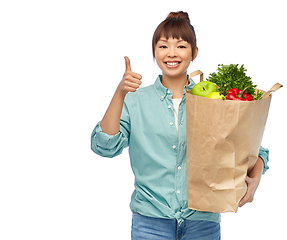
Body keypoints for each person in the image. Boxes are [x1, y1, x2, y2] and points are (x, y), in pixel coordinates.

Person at [91, 11, 269, 240]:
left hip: (203, 222)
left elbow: (253, 148)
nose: (172, 53)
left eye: (181, 46)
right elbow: (104, 146)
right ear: (154, 52)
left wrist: (255, 180)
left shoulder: (213, 100)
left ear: (194, 52)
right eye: (163, 46)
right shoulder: (135, 101)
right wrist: (120, 93)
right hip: (150, 223)